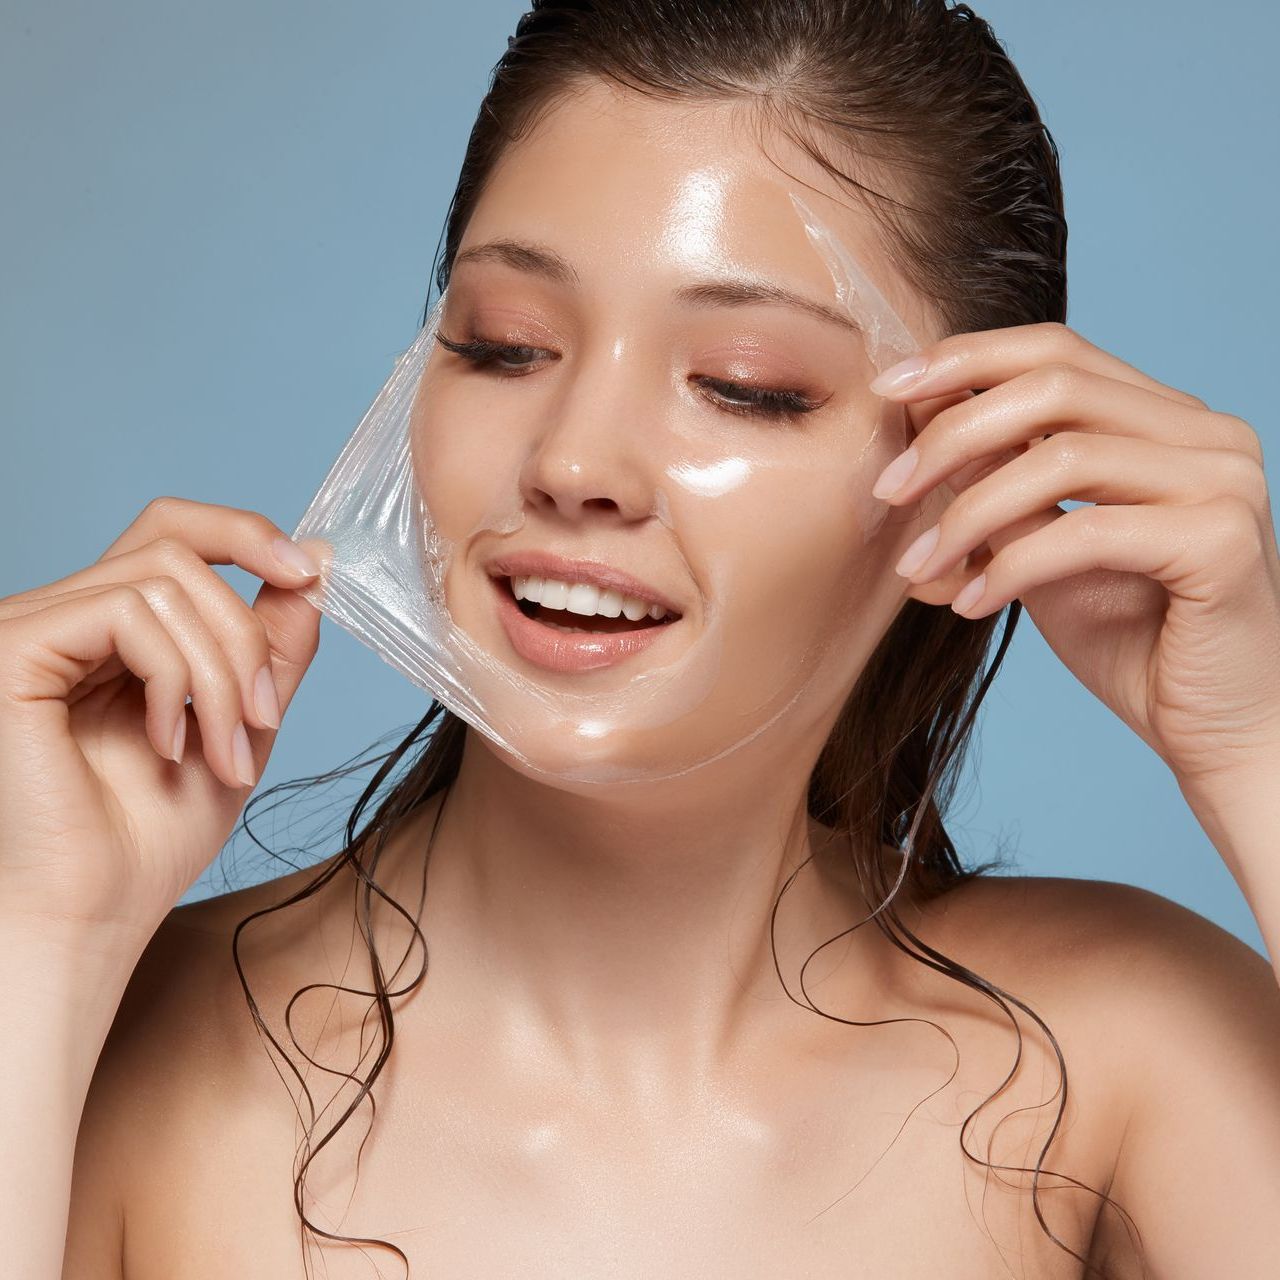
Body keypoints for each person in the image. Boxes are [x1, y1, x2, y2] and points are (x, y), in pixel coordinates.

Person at [5, 2, 1279, 1277]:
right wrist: (37, 940)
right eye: (501, 348)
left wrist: (1255, 747)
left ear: (971, 474)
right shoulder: (106, 1044)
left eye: (743, 383)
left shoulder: (1125, 1062)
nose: (569, 461)